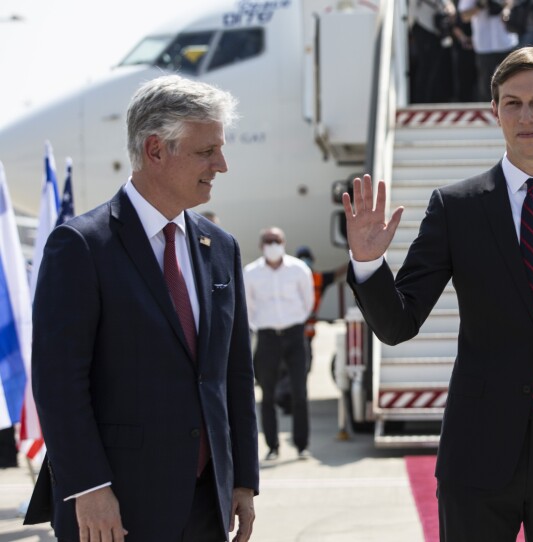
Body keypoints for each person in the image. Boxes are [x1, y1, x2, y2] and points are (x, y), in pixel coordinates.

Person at [344, 47, 533, 541]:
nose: (526, 116)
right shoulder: (455, 207)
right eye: (512, 103)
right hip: (478, 454)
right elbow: (398, 325)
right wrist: (368, 263)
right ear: (495, 112)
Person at [23, 75, 258, 541]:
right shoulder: (81, 246)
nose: (222, 164)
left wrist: (243, 479)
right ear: (155, 150)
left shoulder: (221, 248)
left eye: (220, 148)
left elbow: (234, 373)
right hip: (115, 510)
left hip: (207, 505)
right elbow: (58, 383)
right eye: (206, 151)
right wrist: (89, 487)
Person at [244, 227, 314, 461]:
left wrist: (294, 322)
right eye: (268, 241)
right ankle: (272, 446)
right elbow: (248, 306)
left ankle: (301, 444)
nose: (272, 244)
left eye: (276, 240)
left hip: (294, 334)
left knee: (299, 392)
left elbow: (308, 301)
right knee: (267, 393)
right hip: (267, 337)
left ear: (284, 242)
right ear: (261, 245)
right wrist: (262, 324)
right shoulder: (251, 273)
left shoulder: (298, 269)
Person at [294, 246, 347, 372]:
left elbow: (337, 273)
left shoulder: (317, 279)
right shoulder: (299, 279)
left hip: (304, 332)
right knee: (299, 366)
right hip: (295, 331)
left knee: (302, 366)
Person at [458, 0, 518, 102]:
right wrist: (480, 5)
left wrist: (506, 9)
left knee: (512, 81)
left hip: (506, 42)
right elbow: (464, 16)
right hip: (484, 45)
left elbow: (511, 2)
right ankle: (487, 112)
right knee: (486, 86)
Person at [409, 0, 456, 103]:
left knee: (435, 68)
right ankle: (421, 102)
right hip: (423, 26)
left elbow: (448, 5)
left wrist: (449, 7)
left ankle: (431, 100)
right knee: (425, 67)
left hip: (437, 30)